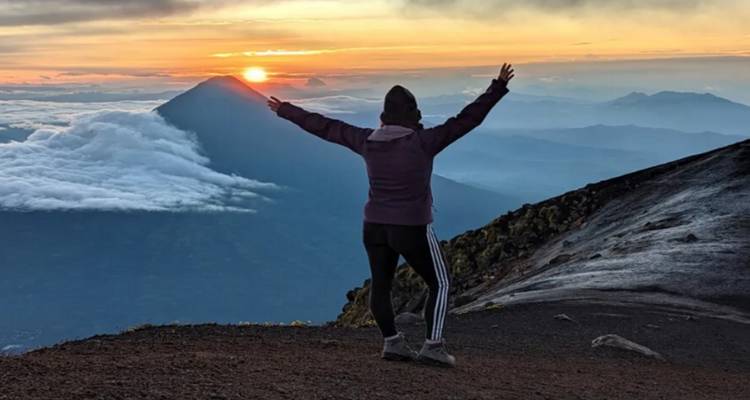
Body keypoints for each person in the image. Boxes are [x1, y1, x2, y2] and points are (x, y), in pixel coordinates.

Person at [268, 63, 514, 367]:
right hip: (411, 227)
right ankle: (433, 346)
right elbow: (467, 119)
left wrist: (285, 110)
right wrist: (497, 88)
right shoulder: (423, 142)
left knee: (381, 284)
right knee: (440, 283)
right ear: (414, 114)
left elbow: (325, 126)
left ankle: (392, 343)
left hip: (374, 227)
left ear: (384, 115)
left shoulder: (366, 140)